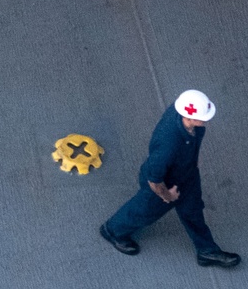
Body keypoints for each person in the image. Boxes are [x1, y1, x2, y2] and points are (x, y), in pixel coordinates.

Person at [100, 90, 240, 267]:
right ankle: (112, 230)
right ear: (189, 118)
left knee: (193, 211)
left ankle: (207, 251)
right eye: (203, 117)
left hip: (186, 174)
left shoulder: (182, 113)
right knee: (144, 212)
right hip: (164, 183)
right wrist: (167, 195)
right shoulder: (169, 143)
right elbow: (154, 178)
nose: (206, 120)